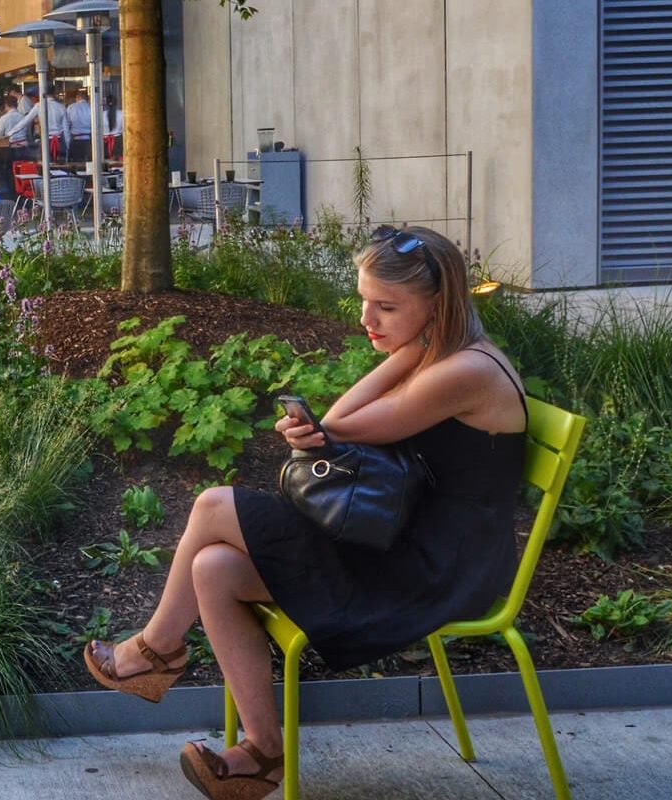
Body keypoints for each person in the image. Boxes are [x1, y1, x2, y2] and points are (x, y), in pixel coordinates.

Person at [82, 226, 527, 800]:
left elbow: (339, 426)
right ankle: (264, 753)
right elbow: (339, 419)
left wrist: (334, 414)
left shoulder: (466, 371)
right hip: (407, 543)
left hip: (434, 570)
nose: (369, 318)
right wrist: (408, 347)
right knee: (212, 568)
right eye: (365, 300)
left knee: (213, 504)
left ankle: (157, 650)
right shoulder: (441, 351)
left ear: (439, 305)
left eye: (387, 306)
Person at [67, 88, 94, 164]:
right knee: (90, 163)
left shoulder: (71, 107)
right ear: (87, 98)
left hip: (76, 140)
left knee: (76, 163)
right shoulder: (91, 107)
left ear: (77, 98)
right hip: (89, 140)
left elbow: (67, 124)